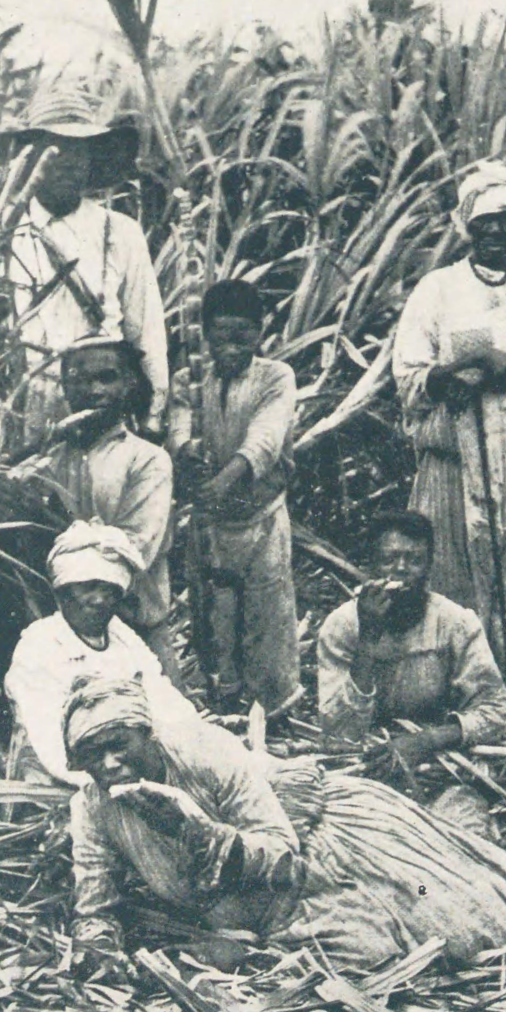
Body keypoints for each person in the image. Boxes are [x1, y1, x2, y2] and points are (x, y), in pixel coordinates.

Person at [64, 676, 506, 971]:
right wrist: (99, 949)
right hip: (257, 899)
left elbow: (281, 852)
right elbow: (95, 904)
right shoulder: (93, 807)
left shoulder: (205, 752)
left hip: (333, 836)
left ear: (147, 736)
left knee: (474, 924)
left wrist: (193, 830)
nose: (110, 764)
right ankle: (456, 823)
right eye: (92, 754)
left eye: (118, 745)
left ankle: (458, 820)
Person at [390, 161, 506, 726]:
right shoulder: (437, 289)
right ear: (468, 227)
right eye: (485, 223)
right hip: (453, 457)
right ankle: (454, 695)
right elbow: (407, 373)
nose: (495, 233)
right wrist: (450, 375)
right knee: (451, 575)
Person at [4, 80, 168, 444]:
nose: (69, 162)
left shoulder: (120, 231)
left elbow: (148, 332)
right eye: (56, 149)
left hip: (104, 399)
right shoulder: (5, 233)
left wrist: (154, 415)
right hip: (30, 399)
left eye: (80, 150)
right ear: (31, 157)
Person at [6, 335, 177, 679]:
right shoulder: (48, 460)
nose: (94, 390)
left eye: (106, 378)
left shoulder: (147, 461)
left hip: (134, 630)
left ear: (129, 384)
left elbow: (128, 550)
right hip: (63, 638)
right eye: (80, 381)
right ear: (64, 389)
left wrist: (41, 518)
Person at [175, 280, 302, 716]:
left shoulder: (275, 377)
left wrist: (229, 477)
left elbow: (266, 437)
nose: (231, 346)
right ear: (206, 334)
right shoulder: (189, 381)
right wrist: (187, 455)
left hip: (261, 519)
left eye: (243, 334)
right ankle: (222, 706)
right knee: (212, 617)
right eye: (221, 334)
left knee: (267, 617)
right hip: (210, 523)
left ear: (260, 332)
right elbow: (179, 433)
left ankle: (274, 712)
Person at [4, 521, 198, 788]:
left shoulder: (122, 638)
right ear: (63, 592)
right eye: (87, 587)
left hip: (128, 772)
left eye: (108, 589)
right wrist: (113, 784)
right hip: (64, 783)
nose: (98, 600)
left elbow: (164, 701)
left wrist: (198, 744)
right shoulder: (39, 646)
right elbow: (49, 747)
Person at [315, 510, 506, 772]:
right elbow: (338, 731)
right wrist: (368, 638)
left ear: (429, 567)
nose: (401, 570)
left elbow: (497, 713)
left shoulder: (456, 623)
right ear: (371, 565)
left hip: (440, 760)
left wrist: (428, 740)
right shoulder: (342, 625)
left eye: (415, 560)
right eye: (388, 560)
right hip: (363, 759)